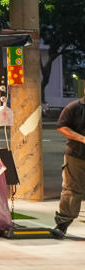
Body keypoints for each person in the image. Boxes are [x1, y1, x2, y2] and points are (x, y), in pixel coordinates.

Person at [53, 97, 85, 238]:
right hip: (76, 155)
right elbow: (62, 127)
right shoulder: (73, 107)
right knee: (72, 189)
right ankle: (62, 225)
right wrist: (82, 138)